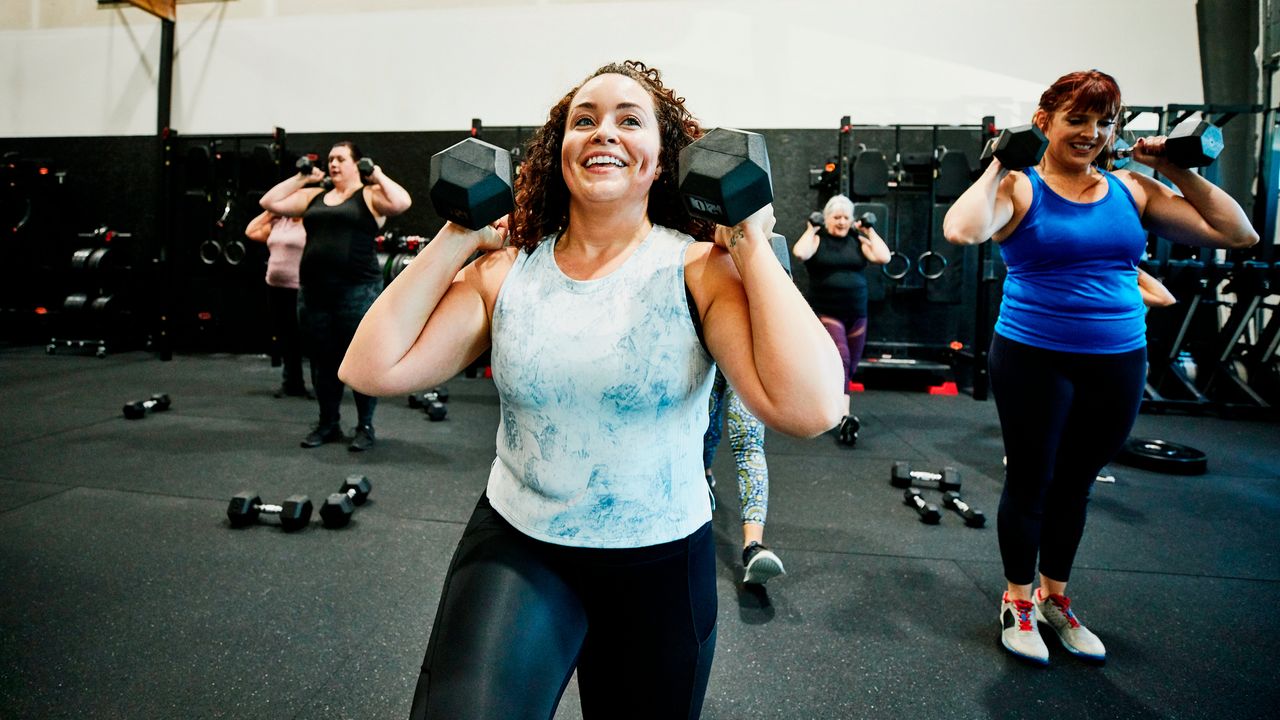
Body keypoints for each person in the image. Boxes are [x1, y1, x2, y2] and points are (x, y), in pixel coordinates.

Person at [339, 60, 843, 719]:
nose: (604, 132)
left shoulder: (700, 271)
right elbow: (371, 368)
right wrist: (459, 234)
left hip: (661, 561)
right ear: (560, 153)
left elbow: (811, 408)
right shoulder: (506, 272)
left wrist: (748, 239)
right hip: (521, 547)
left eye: (629, 120)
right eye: (585, 120)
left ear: (663, 161)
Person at [942, 70, 1257, 665]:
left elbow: (1237, 233)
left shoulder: (1132, 189)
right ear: (1045, 122)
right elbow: (961, 229)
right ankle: (1018, 602)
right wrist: (998, 164)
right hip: (1034, 355)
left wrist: (1176, 168)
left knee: (1077, 483)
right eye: (1077, 120)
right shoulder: (1021, 188)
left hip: (1117, 360)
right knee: (1032, 479)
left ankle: (1056, 599)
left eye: (1103, 122)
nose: (1091, 134)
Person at [259, 142, 411, 451]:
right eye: (331, 159)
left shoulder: (369, 197)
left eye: (341, 159)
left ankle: (365, 426)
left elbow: (402, 202)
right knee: (322, 363)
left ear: (358, 164)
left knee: (361, 363)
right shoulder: (313, 196)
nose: (334, 164)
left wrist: (377, 174)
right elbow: (270, 201)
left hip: (357, 292)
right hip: (314, 294)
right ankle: (328, 423)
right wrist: (303, 177)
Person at [792, 194, 892, 446]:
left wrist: (869, 230)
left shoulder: (858, 240)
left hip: (857, 311)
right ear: (826, 219)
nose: (841, 222)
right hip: (827, 311)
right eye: (836, 217)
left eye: (846, 217)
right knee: (842, 359)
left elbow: (884, 257)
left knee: (850, 366)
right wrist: (811, 228)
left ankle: (832, 406)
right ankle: (844, 416)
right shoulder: (817, 239)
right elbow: (799, 252)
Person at [703, 369, 784, 585]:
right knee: (705, 429)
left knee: (749, 442)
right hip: (702, 347)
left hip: (740, 350)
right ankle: (705, 472)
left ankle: (753, 546)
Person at [244, 209, 311, 399]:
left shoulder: (312, 222)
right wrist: (271, 211)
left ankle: (323, 387)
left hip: (301, 287)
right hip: (276, 287)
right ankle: (292, 383)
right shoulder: (279, 222)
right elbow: (251, 231)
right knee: (286, 335)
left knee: (307, 337)